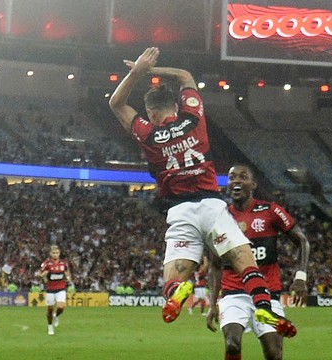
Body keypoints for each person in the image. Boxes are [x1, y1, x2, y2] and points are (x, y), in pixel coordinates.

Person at [108, 47, 296, 336]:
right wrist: (151, 70)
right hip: (211, 205)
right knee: (243, 259)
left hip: (180, 210)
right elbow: (185, 76)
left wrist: (135, 73)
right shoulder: (193, 117)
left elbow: (116, 103)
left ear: (150, 112)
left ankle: (178, 291)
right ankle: (263, 305)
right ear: (175, 105)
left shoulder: (148, 134)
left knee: (173, 275)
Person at [206, 164, 311, 360]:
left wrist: (301, 277)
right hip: (233, 294)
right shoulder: (221, 218)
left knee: (273, 353)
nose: (236, 180)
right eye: (232, 177)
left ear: (253, 184)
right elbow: (215, 265)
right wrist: (212, 303)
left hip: (268, 293)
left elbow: (302, 241)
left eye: (242, 177)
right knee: (232, 343)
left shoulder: (270, 211)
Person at [39, 244, 73, 335]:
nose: (55, 254)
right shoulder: (47, 264)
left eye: (57, 253)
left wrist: (68, 278)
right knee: (50, 309)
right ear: (50, 253)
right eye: (53, 253)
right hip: (50, 289)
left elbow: (66, 272)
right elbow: (41, 274)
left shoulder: (63, 263)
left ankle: (56, 316)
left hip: (61, 288)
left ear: (59, 253)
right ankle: (50, 326)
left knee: (61, 307)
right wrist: (43, 276)